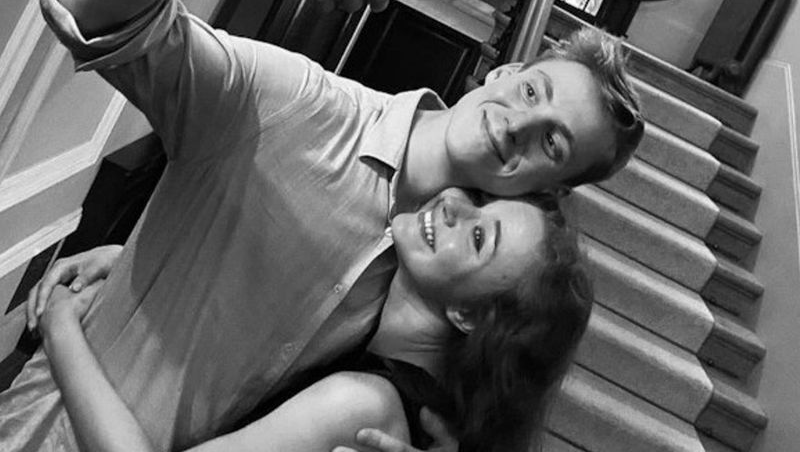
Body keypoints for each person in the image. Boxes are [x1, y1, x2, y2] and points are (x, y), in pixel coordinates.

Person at [0, 0, 641, 452]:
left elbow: (478, 403)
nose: (519, 124)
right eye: (531, 91)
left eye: (553, 144)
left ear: (552, 191)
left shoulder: (445, 273)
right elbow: (83, 4)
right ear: (503, 72)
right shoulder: (295, 104)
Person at [36, 188, 593, 452]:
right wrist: (136, 259)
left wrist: (62, 329)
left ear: (467, 314)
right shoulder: (381, 348)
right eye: (482, 204)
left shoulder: (364, 405)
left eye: (477, 237)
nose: (453, 205)